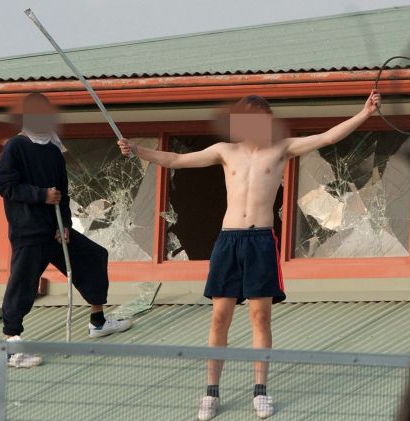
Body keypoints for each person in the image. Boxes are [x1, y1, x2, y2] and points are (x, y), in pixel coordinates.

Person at [118, 90, 381, 419]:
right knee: (219, 318)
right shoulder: (226, 152)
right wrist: (136, 150)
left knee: (260, 317)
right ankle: (211, 393)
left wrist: (365, 113)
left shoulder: (281, 149)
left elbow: (327, 137)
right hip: (229, 241)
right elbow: (177, 160)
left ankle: (260, 391)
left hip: (260, 242)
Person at [0, 93, 133, 368]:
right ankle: (12, 345)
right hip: (28, 231)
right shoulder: (16, 146)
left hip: (54, 230)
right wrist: (41, 195)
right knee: (23, 283)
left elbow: (64, 193)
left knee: (93, 255)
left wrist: (65, 225)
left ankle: (98, 321)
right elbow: (4, 185)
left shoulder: (53, 150)